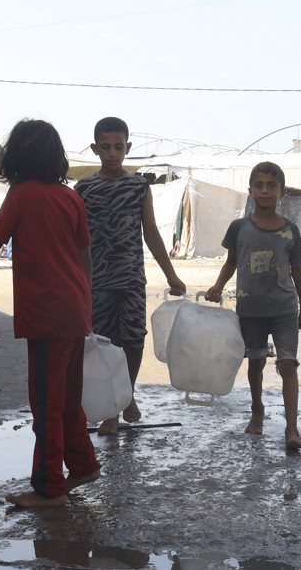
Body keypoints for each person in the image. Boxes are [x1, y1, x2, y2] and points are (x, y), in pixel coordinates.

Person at [0, 119, 101, 508]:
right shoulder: (72, 198)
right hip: (74, 309)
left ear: (16, 156)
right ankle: (83, 464)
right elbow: (84, 256)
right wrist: (84, 302)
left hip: (45, 315)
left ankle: (50, 488)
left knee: (46, 404)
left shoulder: (20, 195)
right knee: (67, 398)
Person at [75, 117, 186, 435]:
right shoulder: (84, 189)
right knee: (105, 344)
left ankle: (128, 396)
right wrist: (78, 280)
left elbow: (150, 232)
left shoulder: (139, 186)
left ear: (128, 148)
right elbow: (75, 239)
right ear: (95, 149)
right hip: (97, 280)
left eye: (119, 147)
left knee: (134, 339)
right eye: (106, 147)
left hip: (132, 276)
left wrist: (171, 275)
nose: (112, 153)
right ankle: (111, 409)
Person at [205, 162, 301, 451]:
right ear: (250, 191)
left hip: (284, 309)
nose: (265, 191)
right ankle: (257, 410)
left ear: (282, 193)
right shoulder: (239, 228)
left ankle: (291, 428)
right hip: (250, 310)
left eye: (271, 186)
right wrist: (217, 286)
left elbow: (298, 270)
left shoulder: (290, 231)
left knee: (287, 364)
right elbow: (231, 262)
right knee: (256, 362)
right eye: (259, 185)